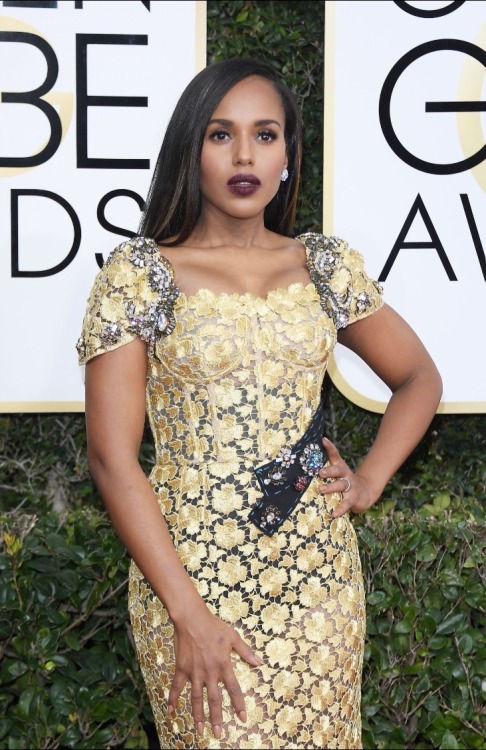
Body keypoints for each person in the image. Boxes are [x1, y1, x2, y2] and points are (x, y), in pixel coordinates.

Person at [76, 58, 442, 750]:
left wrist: (367, 482)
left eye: (265, 134)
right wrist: (188, 615)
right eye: (221, 135)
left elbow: (418, 377)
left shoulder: (323, 265)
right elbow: (110, 457)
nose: (245, 155)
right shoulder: (139, 275)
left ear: (287, 154)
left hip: (317, 582)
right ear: (192, 149)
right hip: (188, 577)